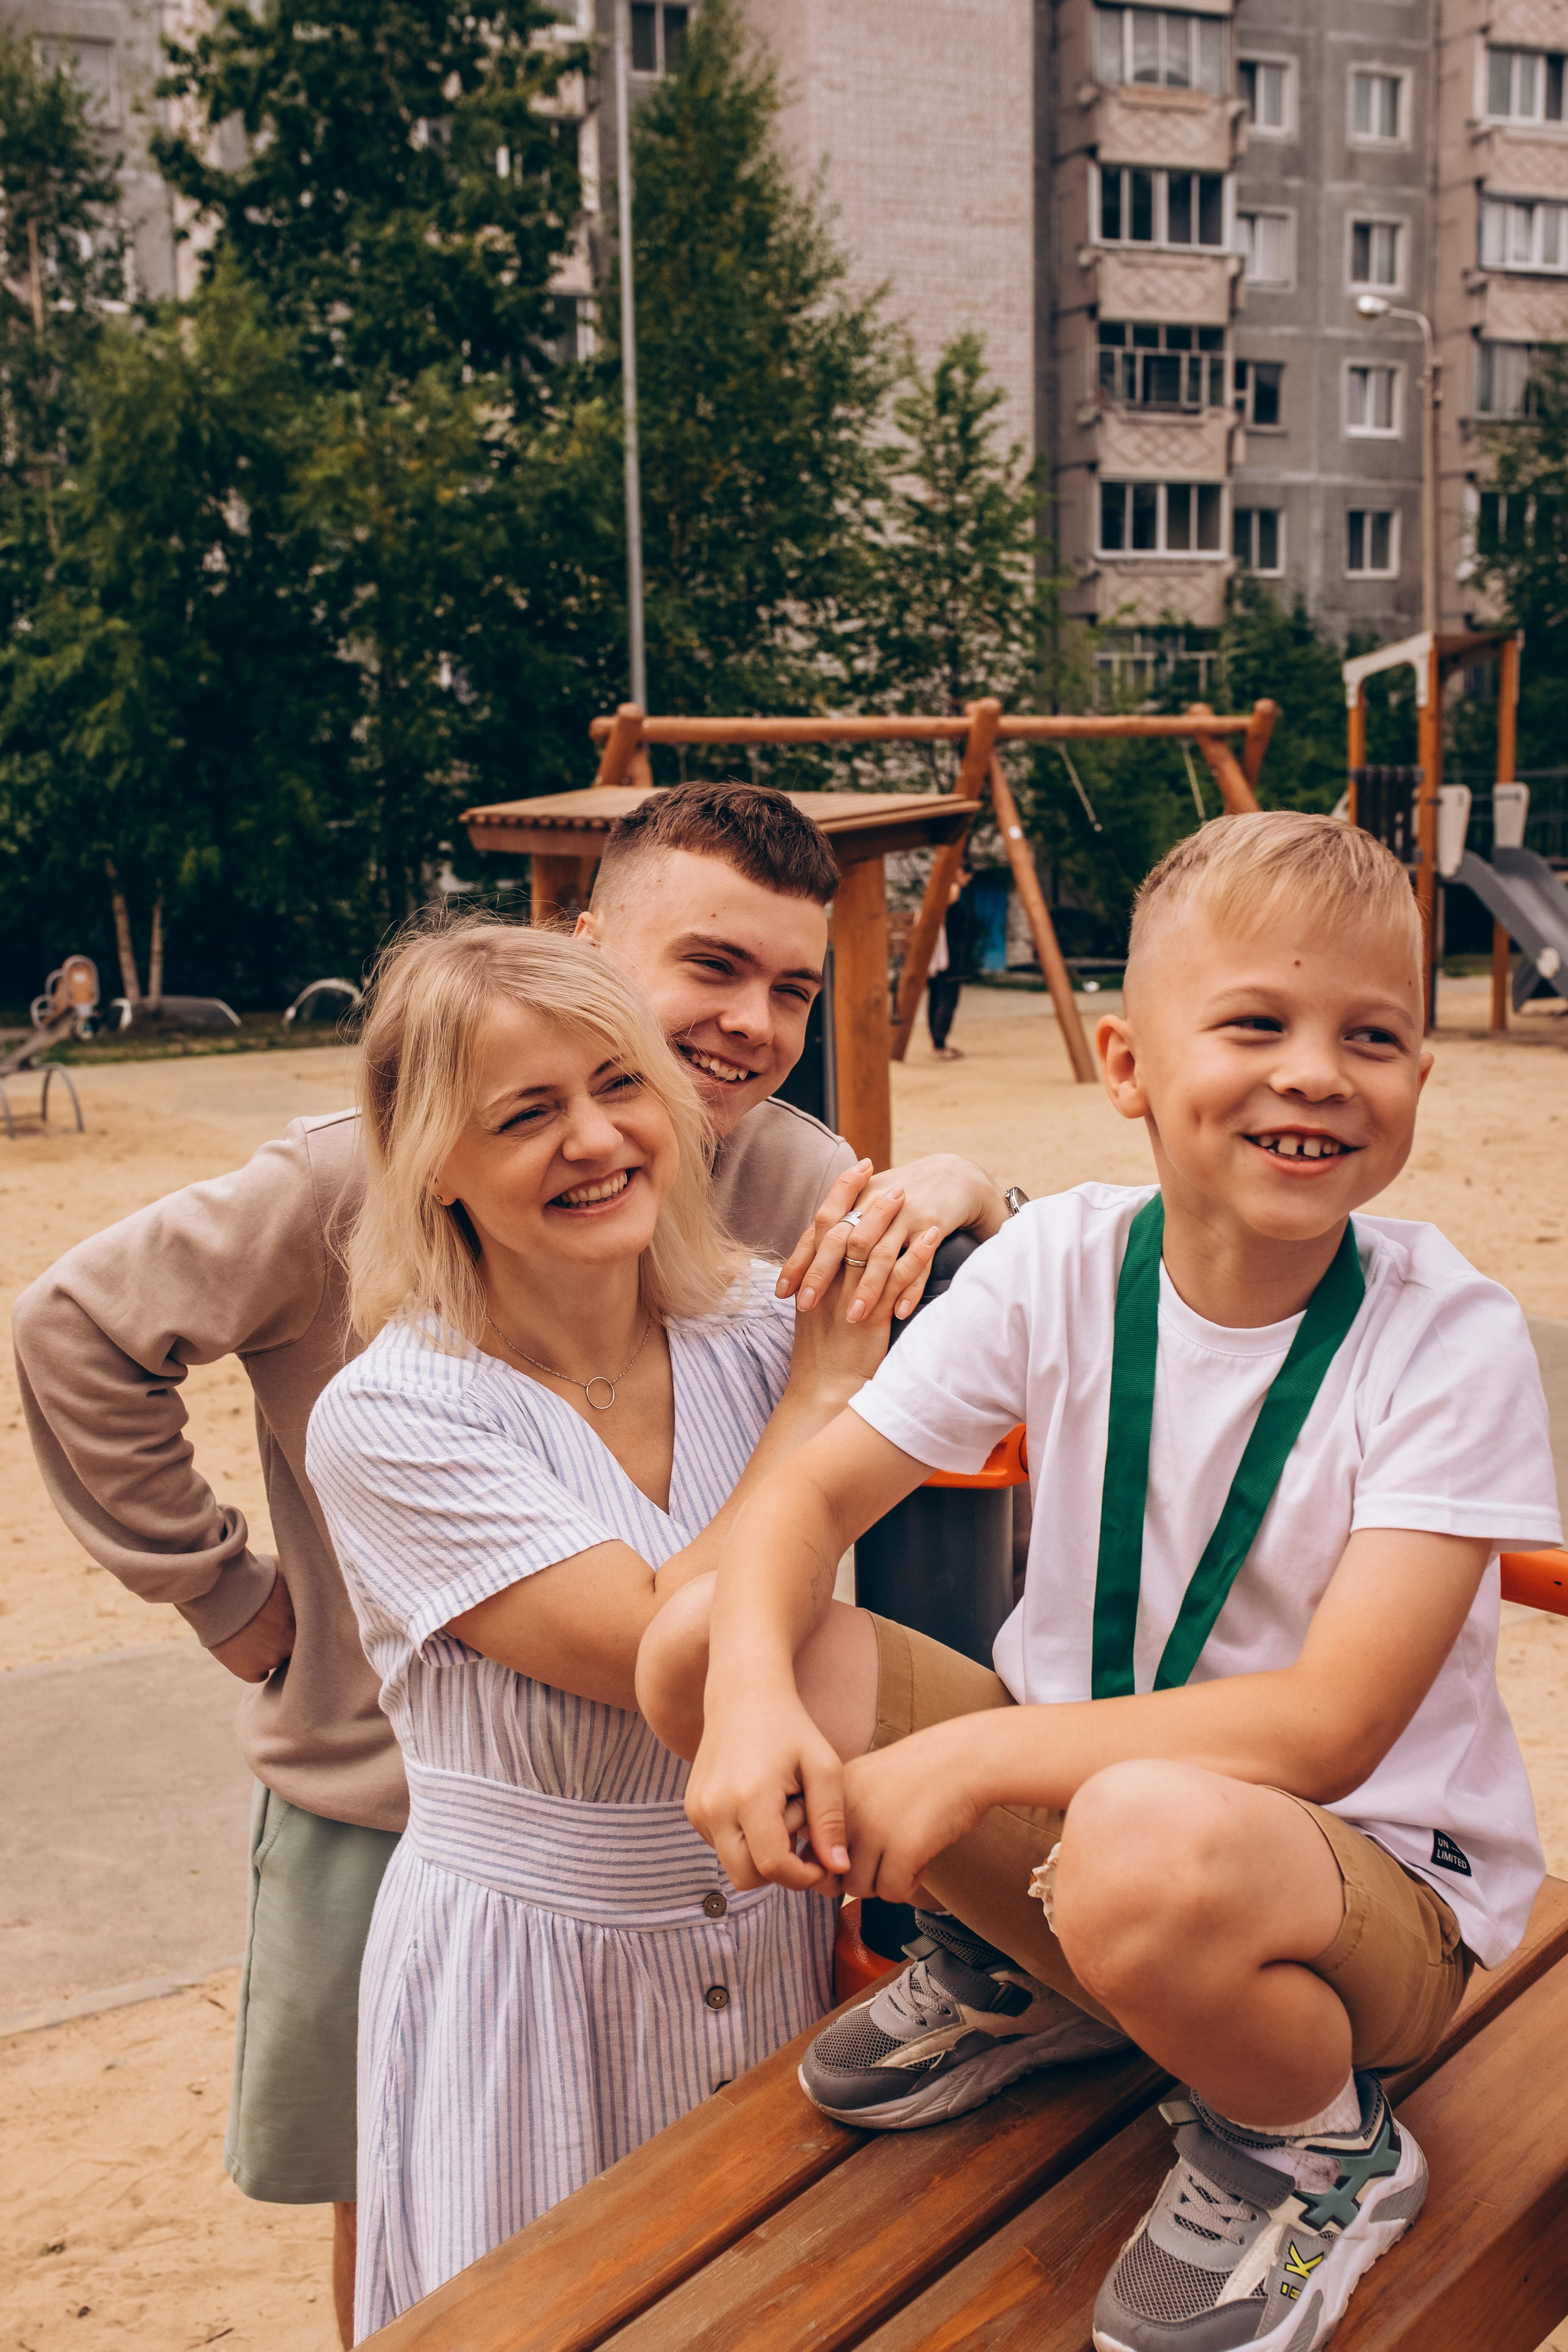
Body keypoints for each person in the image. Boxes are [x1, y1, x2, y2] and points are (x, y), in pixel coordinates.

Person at [10, 780, 1011, 2346]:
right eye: (711, 967)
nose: (747, 1027)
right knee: (423, 2204)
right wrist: (234, 1598)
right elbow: (73, 1327)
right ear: (589, 943)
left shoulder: (773, 1210)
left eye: (790, 988)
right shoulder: (347, 1214)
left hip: (717, 1857)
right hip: (402, 1792)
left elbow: (1037, 1300)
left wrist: (965, 1188)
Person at [642, 811, 1562, 2352]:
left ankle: (1318, 2147)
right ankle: (1045, 1984)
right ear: (1127, 1066)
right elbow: (805, 1496)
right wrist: (742, 1701)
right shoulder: (1058, 1261)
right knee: (697, 1642)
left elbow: (1330, 1726)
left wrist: (970, 1758)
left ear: (1416, 1073)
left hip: (1359, 1897)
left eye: (1369, 1036)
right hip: (1104, 1828)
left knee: (1135, 1837)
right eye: (1254, 1024)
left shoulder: (1443, 1336)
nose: (1314, 1072)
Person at [306, 916, 924, 2336]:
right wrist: (821, 1402)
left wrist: (956, 1188)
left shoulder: (752, 1326)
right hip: (530, 1984)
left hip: (767, 1950)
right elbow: (662, 1640)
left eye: (618, 1084)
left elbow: (1038, 1297)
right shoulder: (396, 1416)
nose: (593, 1139)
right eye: (525, 1114)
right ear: (433, 1163)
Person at [925, 865, 975, 1061]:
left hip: (939, 952)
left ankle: (938, 1043)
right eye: (968, 877)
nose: (968, 881)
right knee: (948, 997)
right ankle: (940, 1044)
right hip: (949, 953)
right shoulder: (952, 890)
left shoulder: (937, 889)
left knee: (936, 996)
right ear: (961, 872)